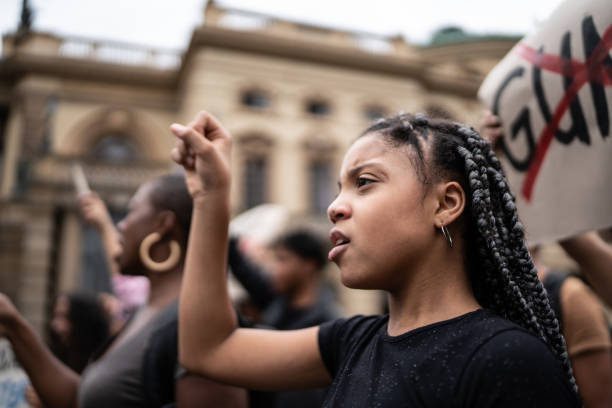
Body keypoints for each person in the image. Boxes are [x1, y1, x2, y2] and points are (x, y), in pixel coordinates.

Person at [171, 111, 580, 407]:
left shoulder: (507, 359)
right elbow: (209, 349)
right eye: (338, 188)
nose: (335, 206)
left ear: (446, 203)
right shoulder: (352, 341)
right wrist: (211, 197)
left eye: (364, 183)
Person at [0, 173, 248, 408]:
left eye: (130, 213)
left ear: (163, 225)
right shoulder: (145, 312)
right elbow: (83, 400)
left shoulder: (196, 321)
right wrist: (13, 325)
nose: (121, 226)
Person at [229, 229, 341, 407]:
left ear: (308, 265)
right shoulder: (277, 302)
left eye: (282, 259)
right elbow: (245, 272)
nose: (274, 269)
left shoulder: (330, 323)